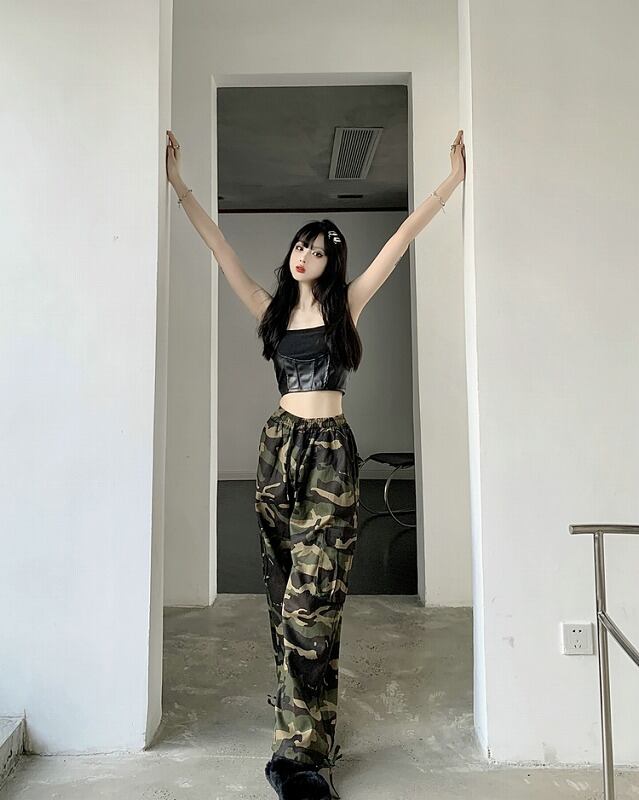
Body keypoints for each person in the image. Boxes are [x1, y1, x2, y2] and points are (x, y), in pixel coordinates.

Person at [166, 127, 465, 800]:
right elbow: (219, 246)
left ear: (332, 263)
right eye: (301, 245)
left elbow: (400, 241)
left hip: (330, 454)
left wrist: (450, 181)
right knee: (284, 598)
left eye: (319, 249)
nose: (305, 254)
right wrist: (179, 185)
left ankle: (296, 761)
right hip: (278, 451)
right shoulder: (268, 310)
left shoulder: (346, 306)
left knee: (314, 600)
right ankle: (310, 727)